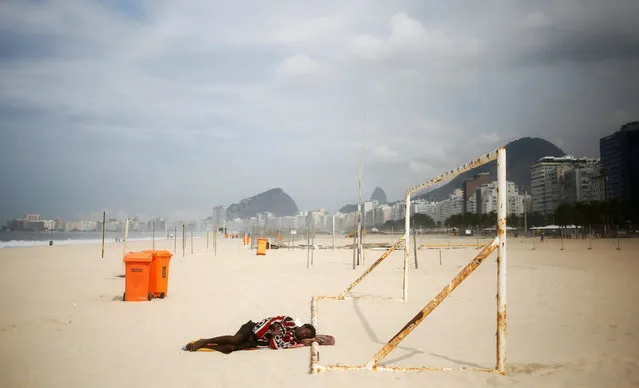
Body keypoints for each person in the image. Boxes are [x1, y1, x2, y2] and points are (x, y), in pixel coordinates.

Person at [185, 315, 316, 354]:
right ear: (303, 326)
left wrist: (275, 334)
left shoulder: (292, 341)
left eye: (306, 335)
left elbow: (275, 345)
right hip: (252, 328)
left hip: (255, 342)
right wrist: (277, 328)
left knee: (230, 349)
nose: (304, 334)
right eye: (305, 331)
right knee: (236, 339)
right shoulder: (289, 321)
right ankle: (204, 340)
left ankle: (207, 345)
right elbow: (272, 320)